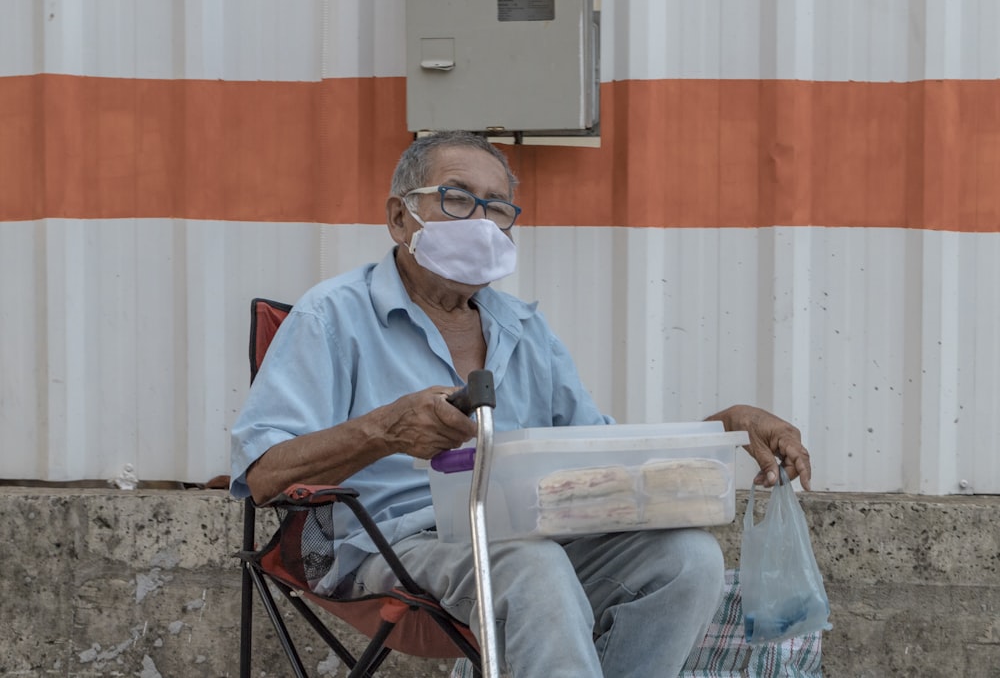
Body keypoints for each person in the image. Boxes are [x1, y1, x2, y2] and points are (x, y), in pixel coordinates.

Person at [230, 130, 812, 677]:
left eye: (497, 208)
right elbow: (263, 475)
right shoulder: (331, 316)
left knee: (688, 559)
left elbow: (604, 458)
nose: (481, 221)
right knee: (529, 568)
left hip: (531, 534)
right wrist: (384, 430)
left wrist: (725, 429)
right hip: (386, 543)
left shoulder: (525, 329)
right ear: (397, 217)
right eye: (456, 199)